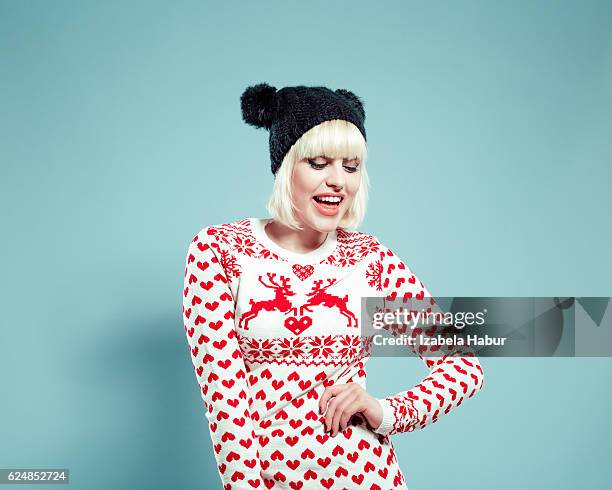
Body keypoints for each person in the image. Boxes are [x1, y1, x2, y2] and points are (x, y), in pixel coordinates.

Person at [181, 83, 485, 489]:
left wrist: (386, 411)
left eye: (351, 166)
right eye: (319, 163)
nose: (338, 181)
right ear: (286, 165)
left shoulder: (370, 259)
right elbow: (226, 402)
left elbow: (462, 364)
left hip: (367, 475)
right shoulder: (220, 252)